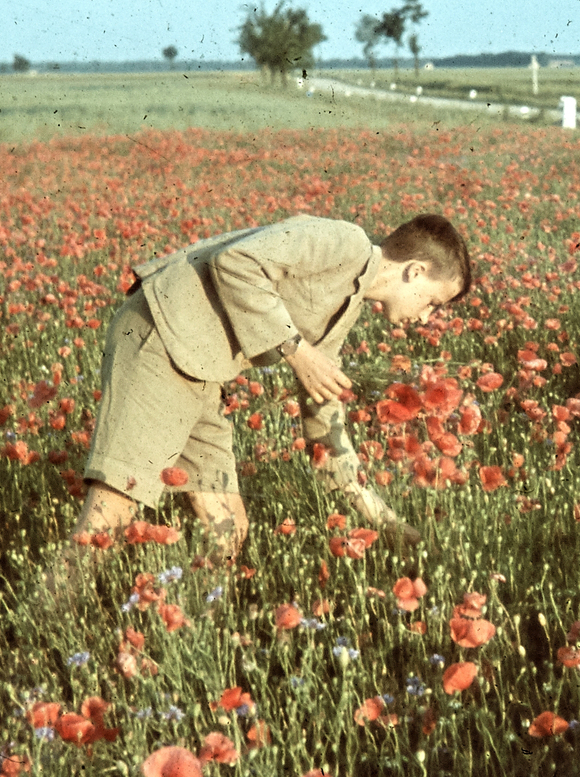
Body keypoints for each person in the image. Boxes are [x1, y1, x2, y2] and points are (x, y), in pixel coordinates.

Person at [43, 212, 470, 601]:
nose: (427, 317)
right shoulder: (346, 243)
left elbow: (324, 422)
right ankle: (35, 631)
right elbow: (236, 260)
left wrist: (382, 519)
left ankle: (187, 636)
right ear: (416, 271)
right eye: (433, 302)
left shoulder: (345, 311)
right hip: (160, 335)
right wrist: (296, 351)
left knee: (227, 528)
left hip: (200, 367)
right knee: (112, 513)